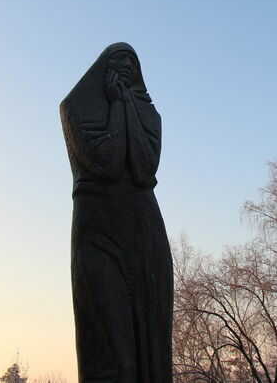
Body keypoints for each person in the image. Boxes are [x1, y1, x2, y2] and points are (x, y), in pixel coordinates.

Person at [60, 42, 173, 383]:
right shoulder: (75, 107)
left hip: (144, 231)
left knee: (152, 341)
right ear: (101, 69)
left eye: (132, 63)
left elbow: (143, 168)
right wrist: (119, 106)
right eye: (118, 61)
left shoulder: (150, 115)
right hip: (98, 231)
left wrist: (124, 104)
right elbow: (107, 162)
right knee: (111, 342)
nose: (126, 68)